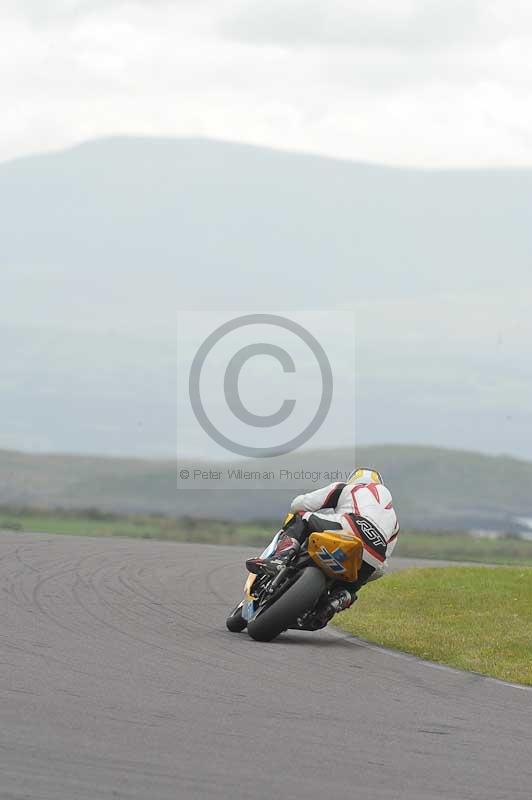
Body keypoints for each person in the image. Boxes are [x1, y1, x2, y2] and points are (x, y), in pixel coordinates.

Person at [249, 468, 400, 628]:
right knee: (352, 585)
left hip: (351, 526)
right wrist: (360, 577)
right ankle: (337, 601)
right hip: (375, 555)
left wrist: (292, 518)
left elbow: (301, 503)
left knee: (302, 516)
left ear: (353, 479)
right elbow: (381, 567)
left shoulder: (346, 488)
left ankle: (280, 558)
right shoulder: (395, 520)